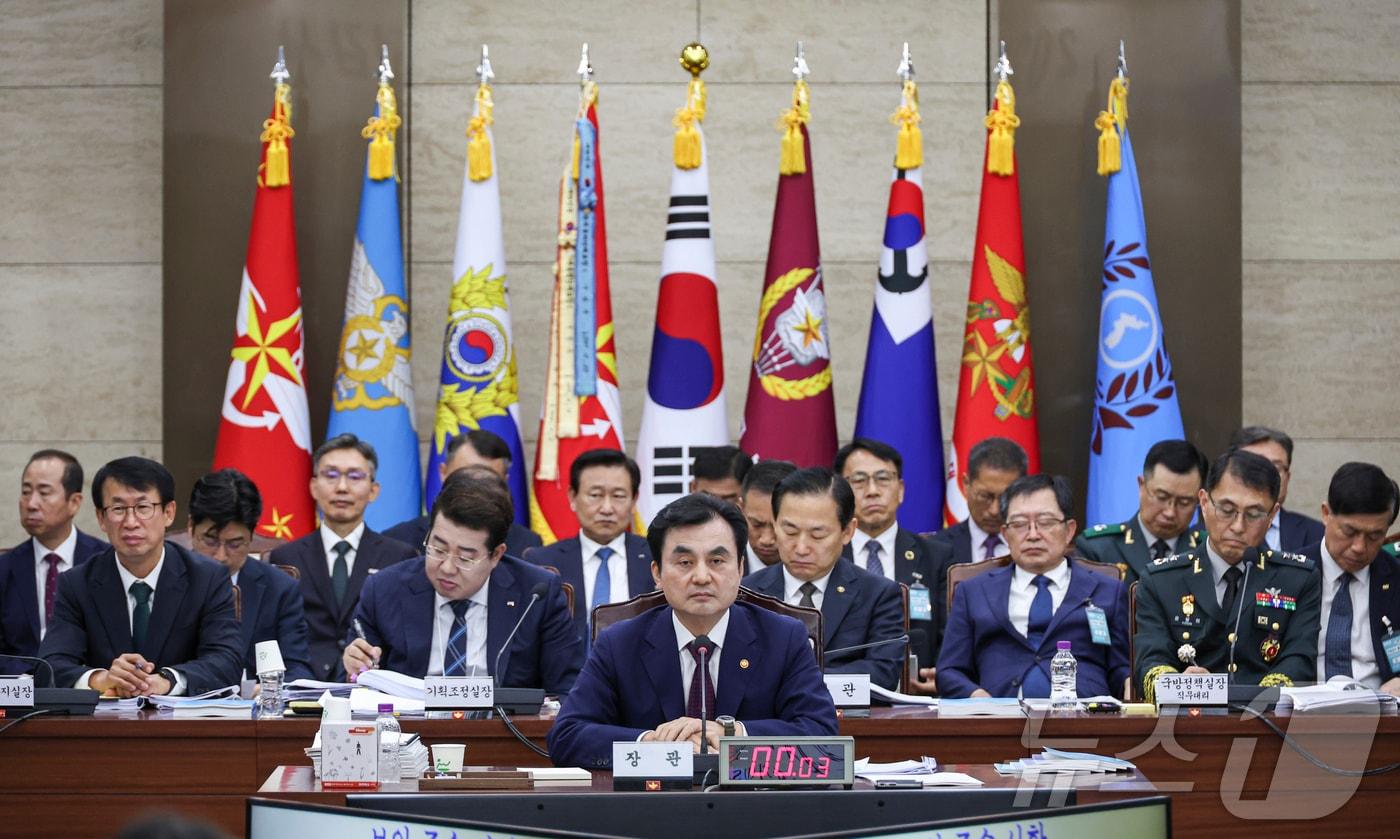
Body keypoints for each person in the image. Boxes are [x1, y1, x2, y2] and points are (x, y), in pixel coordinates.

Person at [548, 493, 837, 768]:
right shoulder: (620, 643)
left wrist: (733, 734)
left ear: (739, 569)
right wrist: (651, 743)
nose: (701, 577)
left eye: (717, 561)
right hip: (648, 808)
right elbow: (567, 736)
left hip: (755, 808)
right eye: (685, 562)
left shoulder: (784, 638)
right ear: (657, 573)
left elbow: (822, 733)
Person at [344, 472, 582, 693]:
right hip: (408, 732)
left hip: (503, 734)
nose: (447, 567)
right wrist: (356, 670)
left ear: (496, 555)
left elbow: (565, 692)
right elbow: (357, 690)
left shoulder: (536, 594)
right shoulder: (385, 589)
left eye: (466, 557)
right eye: (438, 548)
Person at [39, 457, 241, 695]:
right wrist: (100, 679)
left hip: (182, 727)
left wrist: (168, 681)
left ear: (168, 512)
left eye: (143, 508)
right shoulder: (77, 584)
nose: (131, 522)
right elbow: (48, 667)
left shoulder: (207, 578)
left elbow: (227, 661)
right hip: (105, 727)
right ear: (101, 518)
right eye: (118, 509)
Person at [1134, 450, 1322, 702]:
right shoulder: (1161, 580)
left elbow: (1298, 661)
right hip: (1184, 722)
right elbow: (1150, 661)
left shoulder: (1298, 579)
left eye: (1254, 514)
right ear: (1203, 503)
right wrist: (1181, 685)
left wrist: (1258, 698)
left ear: (1273, 515)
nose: (1237, 526)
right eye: (1226, 509)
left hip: (1267, 723)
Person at [938, 475, 1130, 699]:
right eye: (1019, 524)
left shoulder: (1108, 590)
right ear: (1005, 534)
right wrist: (976, 696)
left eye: (1046, 522)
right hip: (999, 721)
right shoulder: (973, 592)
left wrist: (1128, 683)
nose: (1032, 535)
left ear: (1069, 530)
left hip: (1083, 720)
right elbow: (949, 671)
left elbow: (1121, 667)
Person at [266, 434, 417, 680]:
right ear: (313, 486)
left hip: (373, 688)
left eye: (355, 476)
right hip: (302, 686)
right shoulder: (286, 556)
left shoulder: (399, 556)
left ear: (373, 490)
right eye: (331, 475)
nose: (342, 487)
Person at [743, 468, 906, 689]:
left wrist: (796, 679)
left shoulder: (877, 594)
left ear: (848, 531)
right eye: (790, 531)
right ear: (775, 524)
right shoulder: (746, 593)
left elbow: (882, 673)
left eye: (817, 535)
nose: (801, 548)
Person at [835, 437, 952, 694]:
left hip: (919, 691)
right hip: (842, 693)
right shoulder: (827, 555)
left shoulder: (936, 556)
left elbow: (950, 633)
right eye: (859, 481)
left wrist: (945, 674)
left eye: (883, 479)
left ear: (900, 490)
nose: (872, 490)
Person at [187, 469, 313, 682]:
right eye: (210, 541)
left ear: (252, 535)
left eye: (235, 544)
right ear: (191, 528)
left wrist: (274, 688)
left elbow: (297, 669)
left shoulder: (280, 589)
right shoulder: (167, 579)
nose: (221, 556)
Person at [527, 449, 653, 645]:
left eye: (618, 496)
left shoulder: (656, 558)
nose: (606, 508)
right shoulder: (542, 562)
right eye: (595, 495)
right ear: (573, 497)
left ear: (634, 500)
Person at [0, 450, 107, 674]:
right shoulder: (5, 568)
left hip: (91, 692)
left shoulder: (105, 562)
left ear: (74, 502)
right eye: (26, 492)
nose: (31, 503)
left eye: (44, 492)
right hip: (20, 695)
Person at [1300, 463, 1400, 694]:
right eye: (1350, 532)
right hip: (1299, 715)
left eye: (1375, 536)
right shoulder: (1290, 572)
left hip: (1381, 716)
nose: (1359, 547)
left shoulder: (1395, 578)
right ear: (1326, 514)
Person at [384, 429, 542, 558]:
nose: (475, 487)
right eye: (465, 475)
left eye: (487, 478)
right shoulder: (399, 540)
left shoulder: (526, 545)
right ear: (443, 472)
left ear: (505, 481)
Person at [1076, 440, 1208, 584]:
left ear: (1200, 500)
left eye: (1184, 502)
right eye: (1162, 497)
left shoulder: (1209, 552)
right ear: (1141, 485)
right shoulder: (1098, 550)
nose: (1170, 512)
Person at [930, 437, 1028, 628]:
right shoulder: (936, 549)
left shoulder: (1034, 544)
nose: (994, 510)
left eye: (1006, 498)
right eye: (985, 496)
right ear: (966, 484)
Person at [1230, 426, 1324, 551]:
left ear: (1287, 477)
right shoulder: (1209, 534)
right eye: (1254, 467)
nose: (1265, 476)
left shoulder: (1318, 534)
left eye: (1275, 468)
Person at [737, 459, 797, 575]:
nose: (767, 540)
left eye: (778, 526)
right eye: (757, 524)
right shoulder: (719, 562)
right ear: (741, 509)